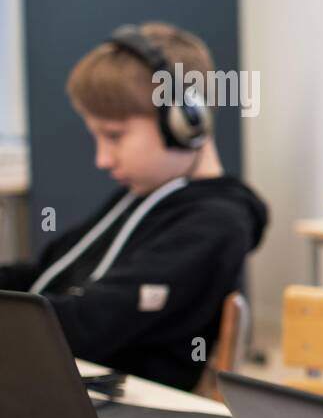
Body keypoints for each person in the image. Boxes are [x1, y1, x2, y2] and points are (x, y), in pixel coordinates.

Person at [0, 22, 268, 391]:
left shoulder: (215, 224)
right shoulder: (143, 197)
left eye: (114, 136)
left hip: (131, 409)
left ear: (185, 122)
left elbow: (92, 324)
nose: (102, 159)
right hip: (69, 385)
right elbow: (47, 272)